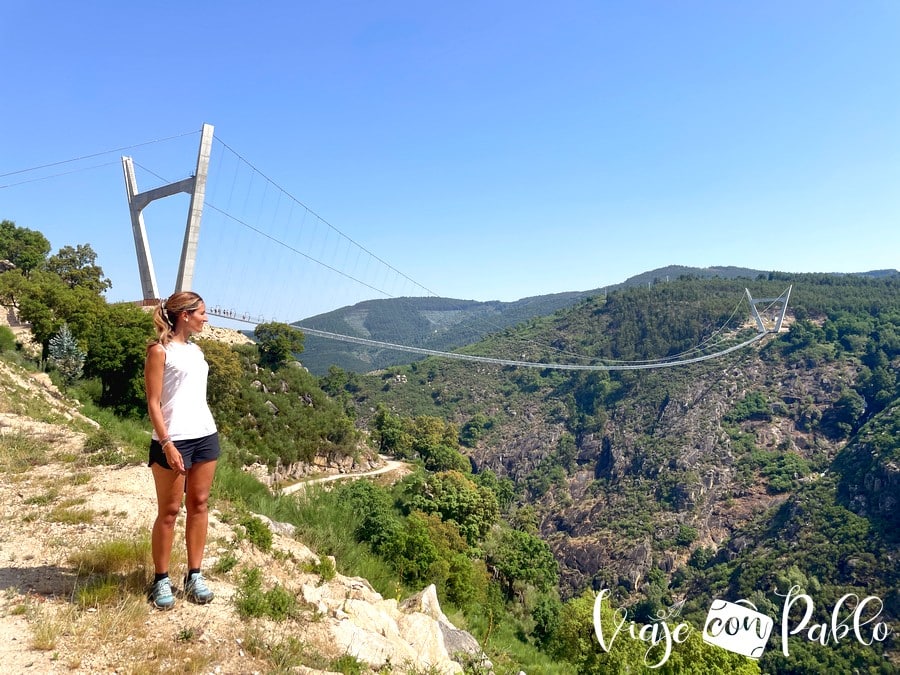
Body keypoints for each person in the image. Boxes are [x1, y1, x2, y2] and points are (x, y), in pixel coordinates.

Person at [144, 291, 219, 610]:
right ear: (184, 315)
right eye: (202, 312)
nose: (206, 318)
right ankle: (161, 579)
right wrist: (167, 443)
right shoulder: (159, 351)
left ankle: (194, 575)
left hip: (205, 435)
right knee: (170, 511)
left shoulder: (197, 351)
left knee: (199, 504)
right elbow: (153, 403)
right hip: (173, 440)